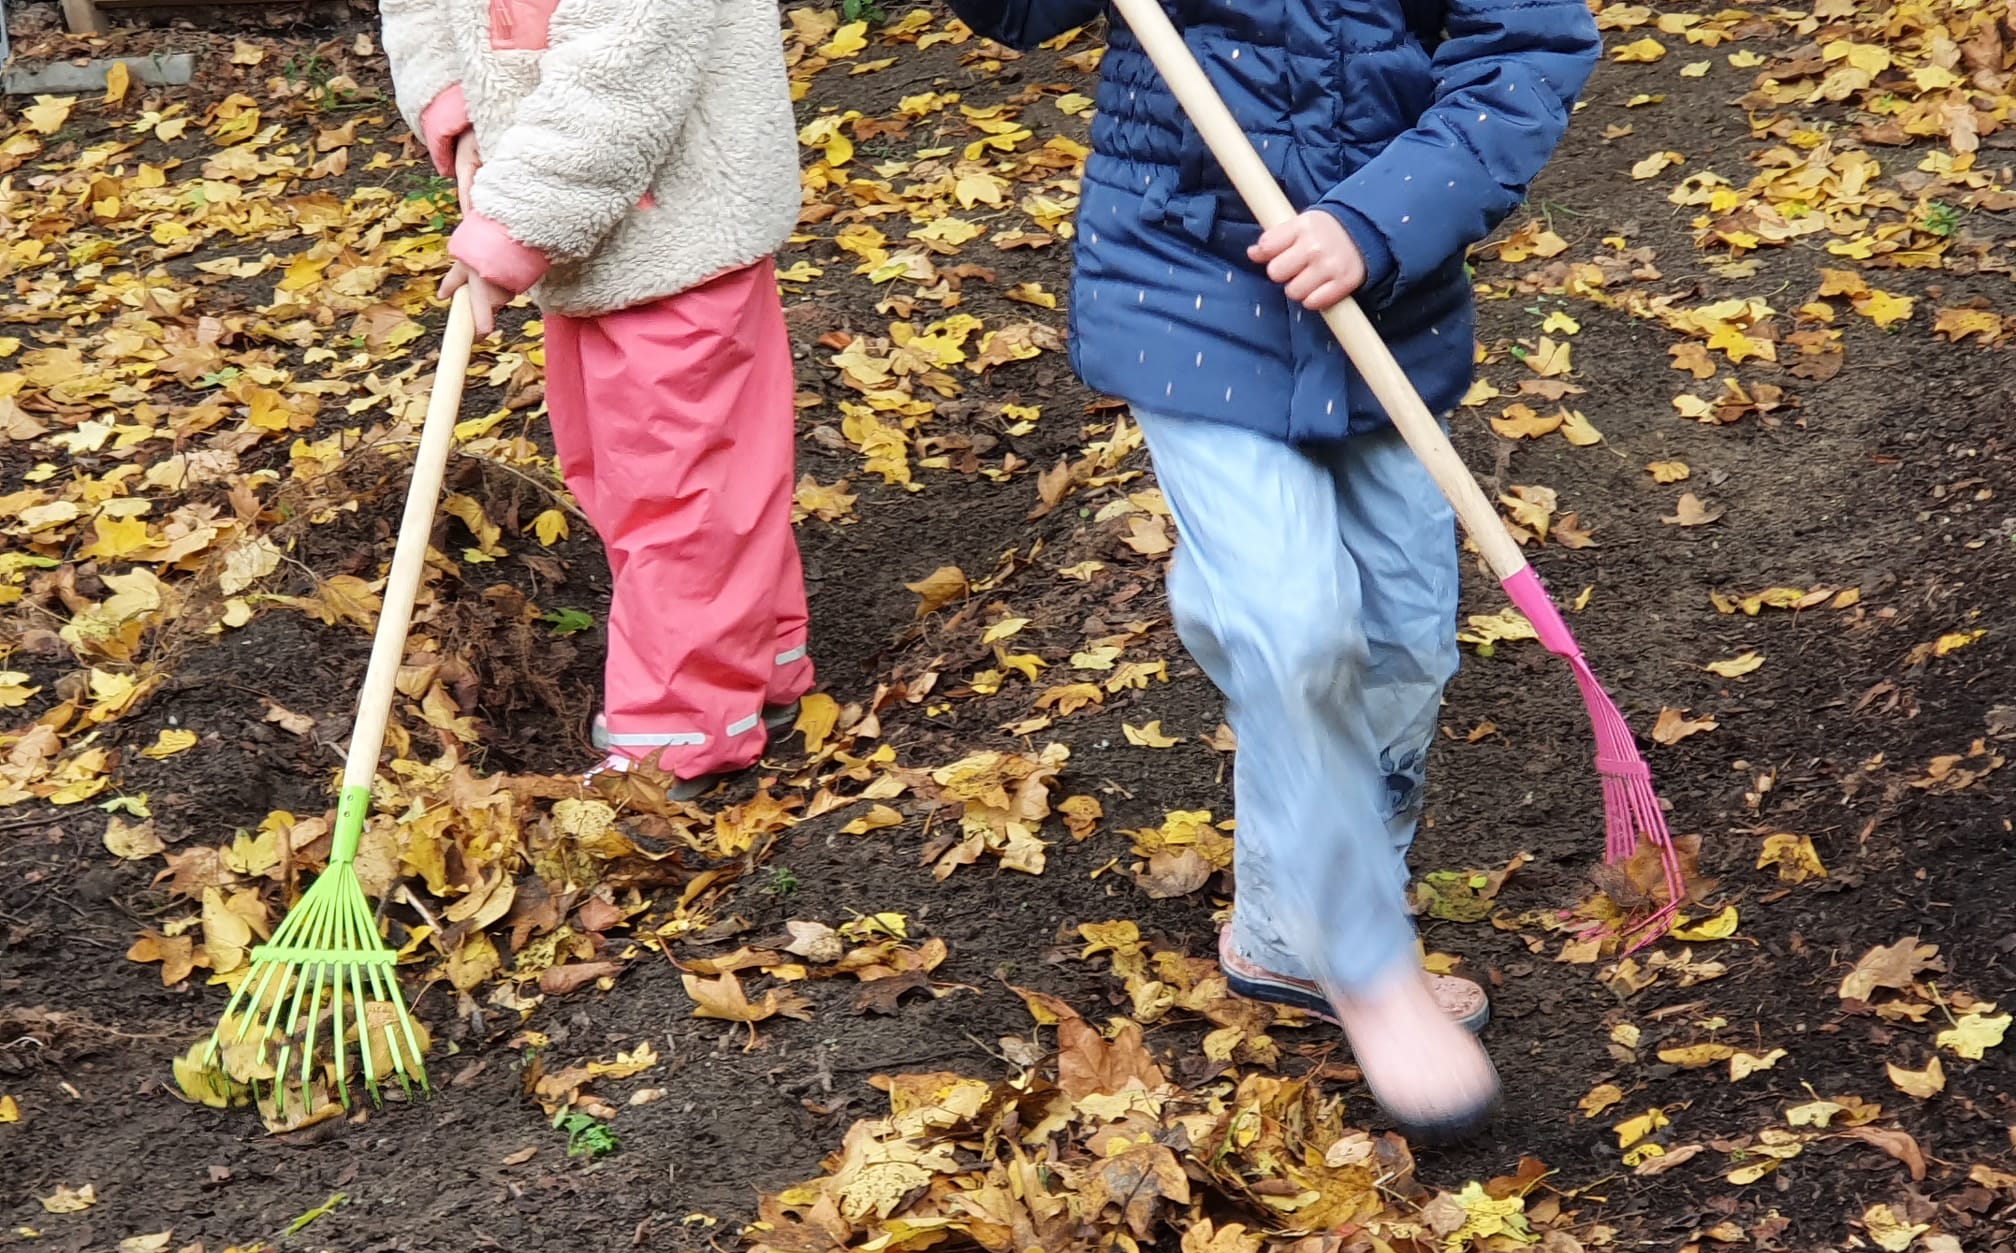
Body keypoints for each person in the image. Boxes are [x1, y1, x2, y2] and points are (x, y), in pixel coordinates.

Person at [945, 0, 1601, 1139]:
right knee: (1297, 626)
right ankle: (1364, 956)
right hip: (1186, 281)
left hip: (1380, 292)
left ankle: (1286, 936)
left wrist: (1378, 221)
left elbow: (1528, 46)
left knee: (1401, 640)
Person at [379, 0, 817, 798]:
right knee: (623, 473)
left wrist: (512, 226)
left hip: (670, 224)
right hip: (581, 238)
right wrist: (461, 115)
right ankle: (755, 663)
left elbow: (623, 76)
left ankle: (680, 731)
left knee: (679, 492)